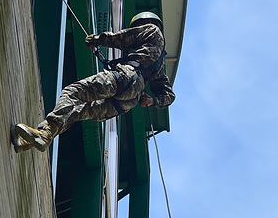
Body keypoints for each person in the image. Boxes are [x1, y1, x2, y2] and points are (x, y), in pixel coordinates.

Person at [13, 11, 176, 153]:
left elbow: (124, 38)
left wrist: (98, 39)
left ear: (147, 23)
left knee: (73, 92)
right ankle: (35, 140)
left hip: (125, 78)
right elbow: (169, 95)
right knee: (75, 111)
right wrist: (152, 100)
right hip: (127, 102)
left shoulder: (152, 29)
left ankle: (45, 134)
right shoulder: (160, 64)